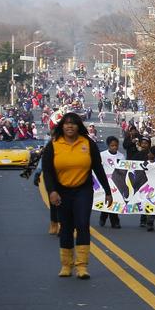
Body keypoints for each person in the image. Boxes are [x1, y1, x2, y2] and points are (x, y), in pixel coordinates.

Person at [41, 113, 113, 279]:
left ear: (78, 126)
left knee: (82, 224)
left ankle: (82, 266)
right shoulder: (53, 145)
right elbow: (47, 171)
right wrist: (52, 191)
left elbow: (98, 168)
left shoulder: (88, 143)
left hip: (83, 190)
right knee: (66, 227)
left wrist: (108, 191)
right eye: (66, 124)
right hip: (62, 191)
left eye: (73, 124)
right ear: (62, 126)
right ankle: (66, 265)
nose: (70, 126)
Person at [99, 136, 125, 229]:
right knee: (107, 200)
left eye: (116, 145)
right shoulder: (102, 155)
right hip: (105, 181)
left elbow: (123, 168)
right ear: (108, 146)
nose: (114, 147)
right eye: (112, 145)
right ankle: (104, 217)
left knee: (115, 200)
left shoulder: (121, 156)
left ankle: (114, 221)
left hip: (116, 181)